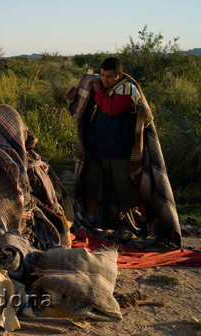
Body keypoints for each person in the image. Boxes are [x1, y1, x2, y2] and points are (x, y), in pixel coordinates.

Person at [81, 57, 145, 232]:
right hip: (96, 149)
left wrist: (98, 91)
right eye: (102, 75)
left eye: (109, 76)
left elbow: (111, 109)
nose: (104, 79)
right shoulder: (106, 89)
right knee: (92, 185)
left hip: (118, 151)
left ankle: (134, 223)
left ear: (120, 75)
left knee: (124, 189)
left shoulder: (126, 89)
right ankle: (90, 219)